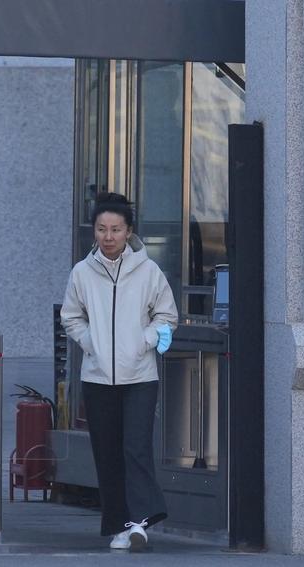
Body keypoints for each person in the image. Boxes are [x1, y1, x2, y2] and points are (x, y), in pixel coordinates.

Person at [61, 192, 178, 551]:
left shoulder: (148, 271)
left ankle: (140, 521)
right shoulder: (82, 273)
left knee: (136, 448)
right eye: (102, 229)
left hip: (140, 376)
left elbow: (167, 315)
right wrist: (91, 342)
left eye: (115, 229)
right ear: (94, 231)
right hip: (97, 378)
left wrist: (145, 340)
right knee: (107, 452)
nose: (108, 236)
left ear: (129, 232)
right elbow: (71, 317)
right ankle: (119, 526)